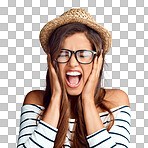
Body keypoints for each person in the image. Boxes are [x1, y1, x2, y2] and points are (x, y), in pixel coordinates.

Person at [17, 8, 131, 148]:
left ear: (97, 61)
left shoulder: (116, 101)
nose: (72, 63)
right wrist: (56, 98)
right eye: (63, 53)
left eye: (83, 54)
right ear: (52, 60)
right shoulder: (35, 101)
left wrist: (87, 101)